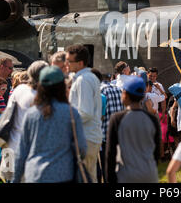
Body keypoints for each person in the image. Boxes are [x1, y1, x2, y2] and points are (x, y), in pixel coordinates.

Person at [12, 66, 87, 183]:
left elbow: (21, 152)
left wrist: (15, 179)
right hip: (63, 174)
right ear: (62, 86)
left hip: (34, 175)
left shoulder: (31, 114)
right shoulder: (71, 113)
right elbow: (82, 147)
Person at [106, 76, 161, 183]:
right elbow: (156, 152)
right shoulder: (152, 119)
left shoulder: (117, 119)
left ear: (125, 94)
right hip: (150, 175)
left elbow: (110, 153)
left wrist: (110, 178)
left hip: (126, 176)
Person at [67, 44, 102, 183]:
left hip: (85, 138)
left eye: (70, 61)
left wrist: (65, 122)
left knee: (84, 178)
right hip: (88, 137)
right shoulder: (87, 77)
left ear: (80, 63)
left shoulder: (83, 80)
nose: (67, 64)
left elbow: (85, 113)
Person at [6, 60, 48, 152]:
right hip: (29, 148)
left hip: (12, 144)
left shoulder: (19, 90)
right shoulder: (41, 96)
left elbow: (8, 114)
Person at [100, 72, 124, 183]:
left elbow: (100, 115)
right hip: (118, 134)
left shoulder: (100, 91)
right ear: (110, 78)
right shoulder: (119, 90)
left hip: (104, 135)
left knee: (106, 169)